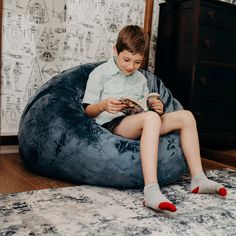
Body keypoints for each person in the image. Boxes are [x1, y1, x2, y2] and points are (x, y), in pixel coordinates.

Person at [83, 25, 227, 212]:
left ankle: (198, 179)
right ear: (115, 50)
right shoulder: (99, 73)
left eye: (137, 62)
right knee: (150, 119)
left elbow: (144, 107)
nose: (130, 66)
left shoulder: (141, 79)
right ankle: (151, 189)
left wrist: (157, 108)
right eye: (126, 59)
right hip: (114, 123)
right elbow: (87, 110)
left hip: (141, 119)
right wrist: (103, 105)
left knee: (186, 116)